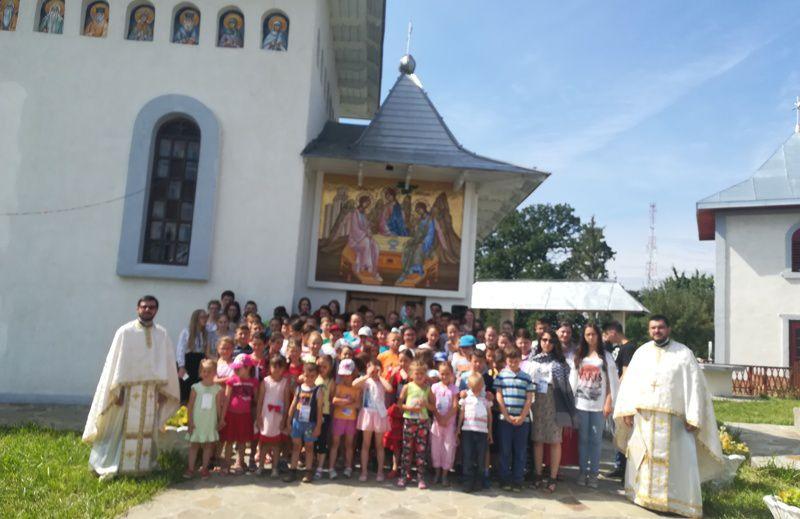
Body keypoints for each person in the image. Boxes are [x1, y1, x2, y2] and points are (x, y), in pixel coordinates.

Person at [614, 315, 723, 518]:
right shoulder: (641, 353)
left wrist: (694, 415)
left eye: (661, 327)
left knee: (678, 462)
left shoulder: (683, 354)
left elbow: (695, 385)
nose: (657, 331)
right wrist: (627, 410)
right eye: (653, 328)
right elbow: (630, 383)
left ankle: (677, 502)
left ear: (669, 329)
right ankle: (643, 496)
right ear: (649, 330)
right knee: (643, 457)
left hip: (675, 423)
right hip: (645, 419)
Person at [83, 296, 180, 478]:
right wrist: (117, 391)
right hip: (127, 392)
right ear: (137, 308)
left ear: (156, 310)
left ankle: (143, 466)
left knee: (147, 429)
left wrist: (163, 390)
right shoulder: (125, 332)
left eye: (151, 307)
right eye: (144, 307)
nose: (147, 310)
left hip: (150, 392)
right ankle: (115, 464)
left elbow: (166, 363)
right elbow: (116, 364)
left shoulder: (162, 334)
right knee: (119, 428)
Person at [570, 323, 619, 488]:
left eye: (593, 334)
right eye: (587, 334)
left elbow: (611, 382)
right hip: (581, 404)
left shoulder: (606, 356)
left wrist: (609, 402)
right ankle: (583, 471)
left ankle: (593, 474)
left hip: (598, 406)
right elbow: (573, 381)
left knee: (596, 440)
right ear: (584, 337)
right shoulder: (579, 355)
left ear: (598, 335)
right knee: (583, 440)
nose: (591, 337)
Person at [528, 330, 577, 492]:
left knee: (555, 440)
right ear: (540, 341)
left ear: (555, 343)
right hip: (537, 400)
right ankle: (538, 475)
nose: (547, 343)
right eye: (544, 340)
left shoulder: (561, 363)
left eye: (550, 340)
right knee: (538, 439)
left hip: (555, 401)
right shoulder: (533, 360)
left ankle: (553, 477)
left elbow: (567, 387)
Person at [494, 345, 535, 492]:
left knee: (520, 451)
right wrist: (506, 415)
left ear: (520, 360)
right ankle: (504, 479)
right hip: (505, 420)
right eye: (510, 360)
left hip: (523, 421)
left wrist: (522, 416)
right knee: (505, 451)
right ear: (506, 360)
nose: (513, 363)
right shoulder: (501, 376)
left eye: (516, 360)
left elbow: (529, 398)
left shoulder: (526, 377)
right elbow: (499, 396)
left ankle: (518, 480)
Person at [601, 320, 637, 479]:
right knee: (619, 431)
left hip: (624, 395)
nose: (606, 337)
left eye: (606, 333)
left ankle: (624, 468)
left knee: (623, 430)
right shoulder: (620, 348)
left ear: (613, 331)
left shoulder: (628, 348)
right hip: (620, 394)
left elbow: (626, 372)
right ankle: (620, 465)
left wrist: (615, 389)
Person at [397, 360, 435, 489]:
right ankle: (403, 475)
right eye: (416, 373)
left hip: (422, 422)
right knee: (406, 449)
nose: (419, 376)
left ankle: (420, 477)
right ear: (411, 374)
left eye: (422, 374)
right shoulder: (407, 386)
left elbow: (433, 407)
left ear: (425, 375)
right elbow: (399, 403)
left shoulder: (427, 389)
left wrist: (426, 405)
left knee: (421, 450)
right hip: (409, 420)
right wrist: (410, 408)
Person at [284, 362, 324, 483]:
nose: (309, 379)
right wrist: (288, 421)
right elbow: (293, 405)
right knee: (296, 446)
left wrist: (318, 426)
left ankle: (308, 471)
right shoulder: (299, 388)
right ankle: (293, 470)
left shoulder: (318, 390)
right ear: (303, 375)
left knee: (309, 447)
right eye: (307, 376)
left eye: (312, 376)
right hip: (297, 422)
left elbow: (320, 410)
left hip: (310, 424)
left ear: (316, 376)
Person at [184, 359, 224, 479]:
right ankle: (190, 469)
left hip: (209, 422)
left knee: (208, 446)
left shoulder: (217, 389)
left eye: (209, 371)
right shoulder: (195, 387)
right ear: (200, 372)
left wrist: (220, 420)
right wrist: (190, 421)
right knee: (194, 445)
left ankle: (205, 469)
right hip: (197, 422)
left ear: (215, 373)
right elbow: (190, 406)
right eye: (203, 371)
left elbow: (218, 406)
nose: (206, 374)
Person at [353, 358, 391, 481]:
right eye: (371, 369)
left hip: (379, 414)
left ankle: (380, 472)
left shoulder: (382, 381)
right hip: (367, 414)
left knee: (379, 444)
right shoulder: (366, 381)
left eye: (376, 369)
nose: (374, 372)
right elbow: (354, 384)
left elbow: (389, 388)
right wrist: (367, 375)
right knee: (366, 444)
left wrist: (380, 376)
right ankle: (364, 471)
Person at [220, 355, 258, 474]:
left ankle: (239, 463)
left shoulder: (253, 382)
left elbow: (256, 400)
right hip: (231, 415)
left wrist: (256, 417)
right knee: (229, 441)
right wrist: (222, 418)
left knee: (242, 441)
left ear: (248, 368)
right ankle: (226, 464)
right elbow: (227, 399)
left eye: (238, 368)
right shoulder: (232, 380)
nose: (235, 370)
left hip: (245, 416)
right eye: (235, 368)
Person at [255, 355, 290, 477]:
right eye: (274, 367)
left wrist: (284, 418)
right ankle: (260, 466)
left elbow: (286, 402)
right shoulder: (265, 381)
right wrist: (258, 416)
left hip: (278, 417)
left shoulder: (285, 382)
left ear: (284, 369)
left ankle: (275, 468)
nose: (277, 370)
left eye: (280, 367)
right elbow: (260, 400)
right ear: (270, 367)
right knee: (264, 443)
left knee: (276, 444)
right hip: (266, 416)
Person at [458, 372, 493, 493]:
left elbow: (490, 416)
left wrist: (490, 432)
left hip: (482, 432)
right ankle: (467, 482)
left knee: (480, 458)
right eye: (473, 388)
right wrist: (458, 429)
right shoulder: (465, 399)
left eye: (478, 388)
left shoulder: (485, 401)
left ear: (482, 386)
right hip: (467, 431)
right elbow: (461, 414)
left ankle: (478, 481)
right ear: (469, 386)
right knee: (467, 456)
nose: (476, 390)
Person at [328, 359, 360, 479]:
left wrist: (344, 403)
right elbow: (334, 400)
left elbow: (358, 404)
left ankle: (348, 467)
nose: (345, 377)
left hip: (351, 419)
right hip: (339, 418)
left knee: (349, 444)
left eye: (348, 375)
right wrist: (347, 401)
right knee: (335, 443)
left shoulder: (357, 388)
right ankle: (331, 468)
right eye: (343, 375)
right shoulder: (339, 386)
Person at [430, 362, 459, 486]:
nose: (445, 376)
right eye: (442, 374)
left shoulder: (454, 388)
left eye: (447, 374)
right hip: (437, 423)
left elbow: (455, 406)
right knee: (436, 448)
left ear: (452, 374)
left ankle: (445, 475)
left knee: (448, 449)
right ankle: (437, 473)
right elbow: (432, 404)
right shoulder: (435, 387)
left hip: (449, 424)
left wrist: (446, 418)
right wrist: (438, 417)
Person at [176, 309, 211, 403]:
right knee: (186, 382)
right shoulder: (186, 332)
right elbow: (180, 349)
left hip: (201, 362)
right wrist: (181, 366)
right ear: (196, 319)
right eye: (202, 317)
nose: (205, 319)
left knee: (198, 384)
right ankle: (185, 405)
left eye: (206, 317)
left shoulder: (206, 332)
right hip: (189, 361)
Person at [313, 355, 336, 480]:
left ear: (330, 368)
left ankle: (320, 467)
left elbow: (331, 399)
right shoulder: (313, 378)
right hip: (312, 414)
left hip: (324, 414)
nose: (321, 369)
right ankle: (311, 464)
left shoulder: (331, 382)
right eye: (319, 366)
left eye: (325, 367)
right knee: (311, 441)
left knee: (322, 441)